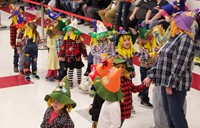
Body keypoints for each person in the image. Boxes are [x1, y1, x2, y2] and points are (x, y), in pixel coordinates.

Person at [143, 9, 199, 128]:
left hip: (176, 84)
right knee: (169, 115)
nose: (172, 22)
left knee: (176, 115)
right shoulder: (174, 37)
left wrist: (171, 83)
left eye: (176, 20)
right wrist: (151, 74)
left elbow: (180, 63)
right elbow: (162, 57)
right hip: (165, 81)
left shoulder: (186, 39)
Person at [113, 58, 149, 127]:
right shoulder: (112, 81)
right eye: (118, 67)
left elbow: (134, 89)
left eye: (123, 67)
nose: (121, 69)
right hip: (116, 111)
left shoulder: (126, 80)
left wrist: (145, 84)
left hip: (125, 110)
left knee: (119, 125)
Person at [58, 19, 88, 88]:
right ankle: (70, 81)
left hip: (77, 57)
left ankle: (79, 80)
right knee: (70, 69)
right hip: (69, 57)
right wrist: (60, 55)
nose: (68, 32)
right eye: (67, 31)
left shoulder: (79, 40)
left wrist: (85, 55)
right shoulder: (66, 40)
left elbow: (83, 48)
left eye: (69, 31)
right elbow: (63, 48)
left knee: (79, 69)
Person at [88, 58, 114, 128]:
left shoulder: (105, 92)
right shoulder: (101, 89)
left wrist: (91, 111)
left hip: (101, 121)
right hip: (98, 118)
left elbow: (104, 110)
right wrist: (93, 105)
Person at [23, 13, 41, 81]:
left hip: (34, 49)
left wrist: (40, 41)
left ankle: (34, 72)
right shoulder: (26, 33)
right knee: (27, 62)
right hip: (28, 49)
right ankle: (27, 73)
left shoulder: (36, 33)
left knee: (34, 61)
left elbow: (39, 40)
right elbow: (23, 40)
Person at [9, 4, 19, 73]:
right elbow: (12, 35)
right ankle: (15, 65)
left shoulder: (21, 21)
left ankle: (24, 66)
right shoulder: (13, 25)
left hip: (22, 41)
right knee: (16, 54)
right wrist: (12, 43)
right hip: (17, 42)